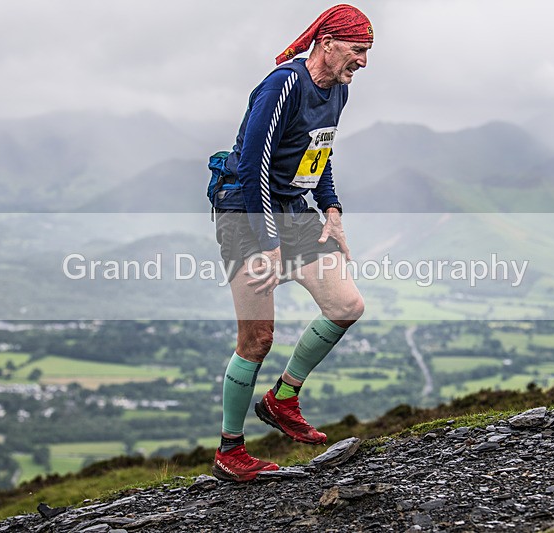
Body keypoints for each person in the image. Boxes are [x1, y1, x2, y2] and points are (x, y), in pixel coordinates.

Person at [210, 4, 373, 482]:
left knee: (346, 305)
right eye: (358, 51)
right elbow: (253, 163)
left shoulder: (338, 91)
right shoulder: (283, 84)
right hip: (244, 207)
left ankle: (282, 398)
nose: (363, 61)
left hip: (294, 209)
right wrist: (267, 240)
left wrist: (333, 210)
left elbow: (319, 153)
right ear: (328, 44)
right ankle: (230, 451)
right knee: (257, 338)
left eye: (366, 53)